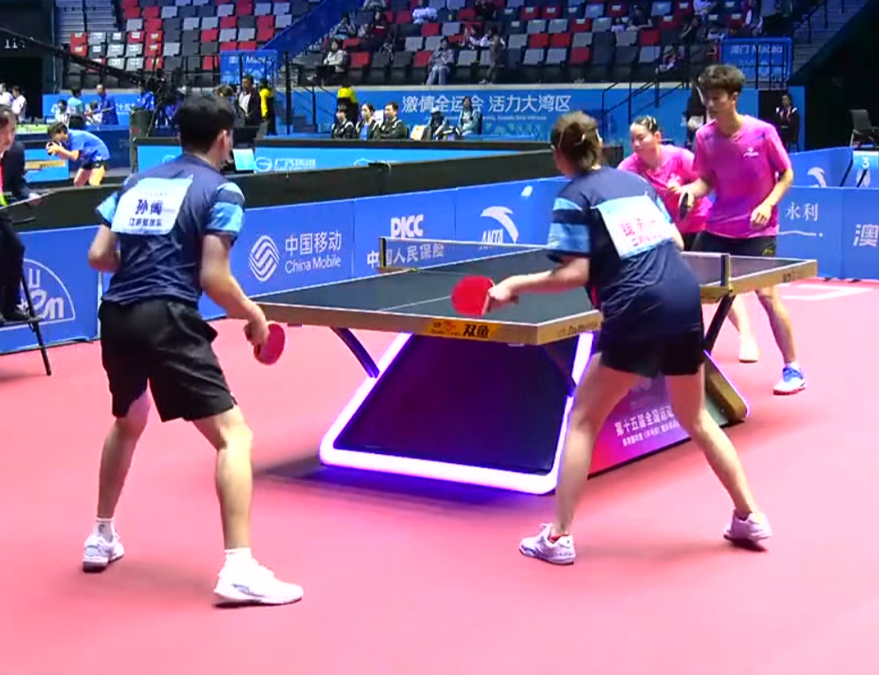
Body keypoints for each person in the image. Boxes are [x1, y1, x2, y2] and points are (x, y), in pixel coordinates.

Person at [483, 112, 771, 565]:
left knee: (583, 419)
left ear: (558, 155)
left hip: (636, 306)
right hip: (683, 297)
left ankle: (558, 537)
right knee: (695, 416)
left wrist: (514, 284)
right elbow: (675, 242)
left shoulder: (572, 197)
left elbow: (575, 273)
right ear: (599, 145)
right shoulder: (635, 184)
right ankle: (748, 514)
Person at [83, 95, 303, 606]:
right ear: (224, 138)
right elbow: (214, 277)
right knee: (234, 436)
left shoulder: (136, 183)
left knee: (128, 420)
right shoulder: (223, 190)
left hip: (116, 315)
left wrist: (144, 266)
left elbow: (98, 255)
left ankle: (101, 534)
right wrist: (254, 316)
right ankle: (239, 568)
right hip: (167, 317)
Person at [676, 64, 803, 395]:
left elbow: (787, 174)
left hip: (758, 230)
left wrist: (767, 204)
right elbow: (707, 180)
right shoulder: (704, 137)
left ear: (734, 97)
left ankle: (793, 368)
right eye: (707, 98)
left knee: (766, 295)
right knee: (684, 290)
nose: (710, 104)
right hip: (718, 228)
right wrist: (691, 192)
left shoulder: (762, 132)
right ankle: (685, 360)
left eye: (717, 98)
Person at [618, 116, 708, 251]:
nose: (636, 144)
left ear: (657, 137)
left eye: (641, 138)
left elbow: (706, 181)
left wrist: (686, 189)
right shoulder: (628, 167)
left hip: (697, 226)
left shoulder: (680, 157)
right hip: (660, 233)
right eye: (632, 140)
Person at [0, 105, 31, 326]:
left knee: (16, 247)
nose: (8, 137)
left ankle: (10, 305)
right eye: (3, 132)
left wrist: (29, 195)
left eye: (12, 131)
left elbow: (17, 183)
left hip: (0, 211)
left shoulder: (16, 151)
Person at [45, 122, 111, 186]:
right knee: (78, 182)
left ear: (61, 132)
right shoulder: (64, 141)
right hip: (89, 158)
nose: (53, 138)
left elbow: (74, 157)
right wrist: (57, 152)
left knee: (93, 182)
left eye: (54, 135)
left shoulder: (75, 137)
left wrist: (59, 149)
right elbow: (64, 157)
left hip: (99, 155)